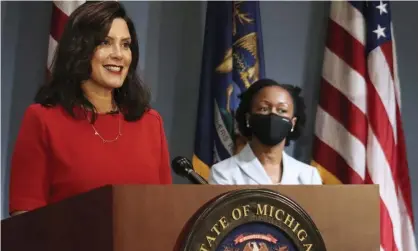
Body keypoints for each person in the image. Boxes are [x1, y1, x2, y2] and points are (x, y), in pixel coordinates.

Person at [9, 1, 172, 215]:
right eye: (105, 42)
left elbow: (164, 212)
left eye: (125, 44)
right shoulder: (43, 120)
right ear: (80, 48)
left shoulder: (150, 122)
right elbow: (25, 217)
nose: (119, 55)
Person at [209, 78, 322, 185]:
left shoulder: (309, 176)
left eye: (281, 110)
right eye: (264, 109)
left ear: (293, 123)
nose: (273, 114)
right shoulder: (223, 173)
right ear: (248, 118)